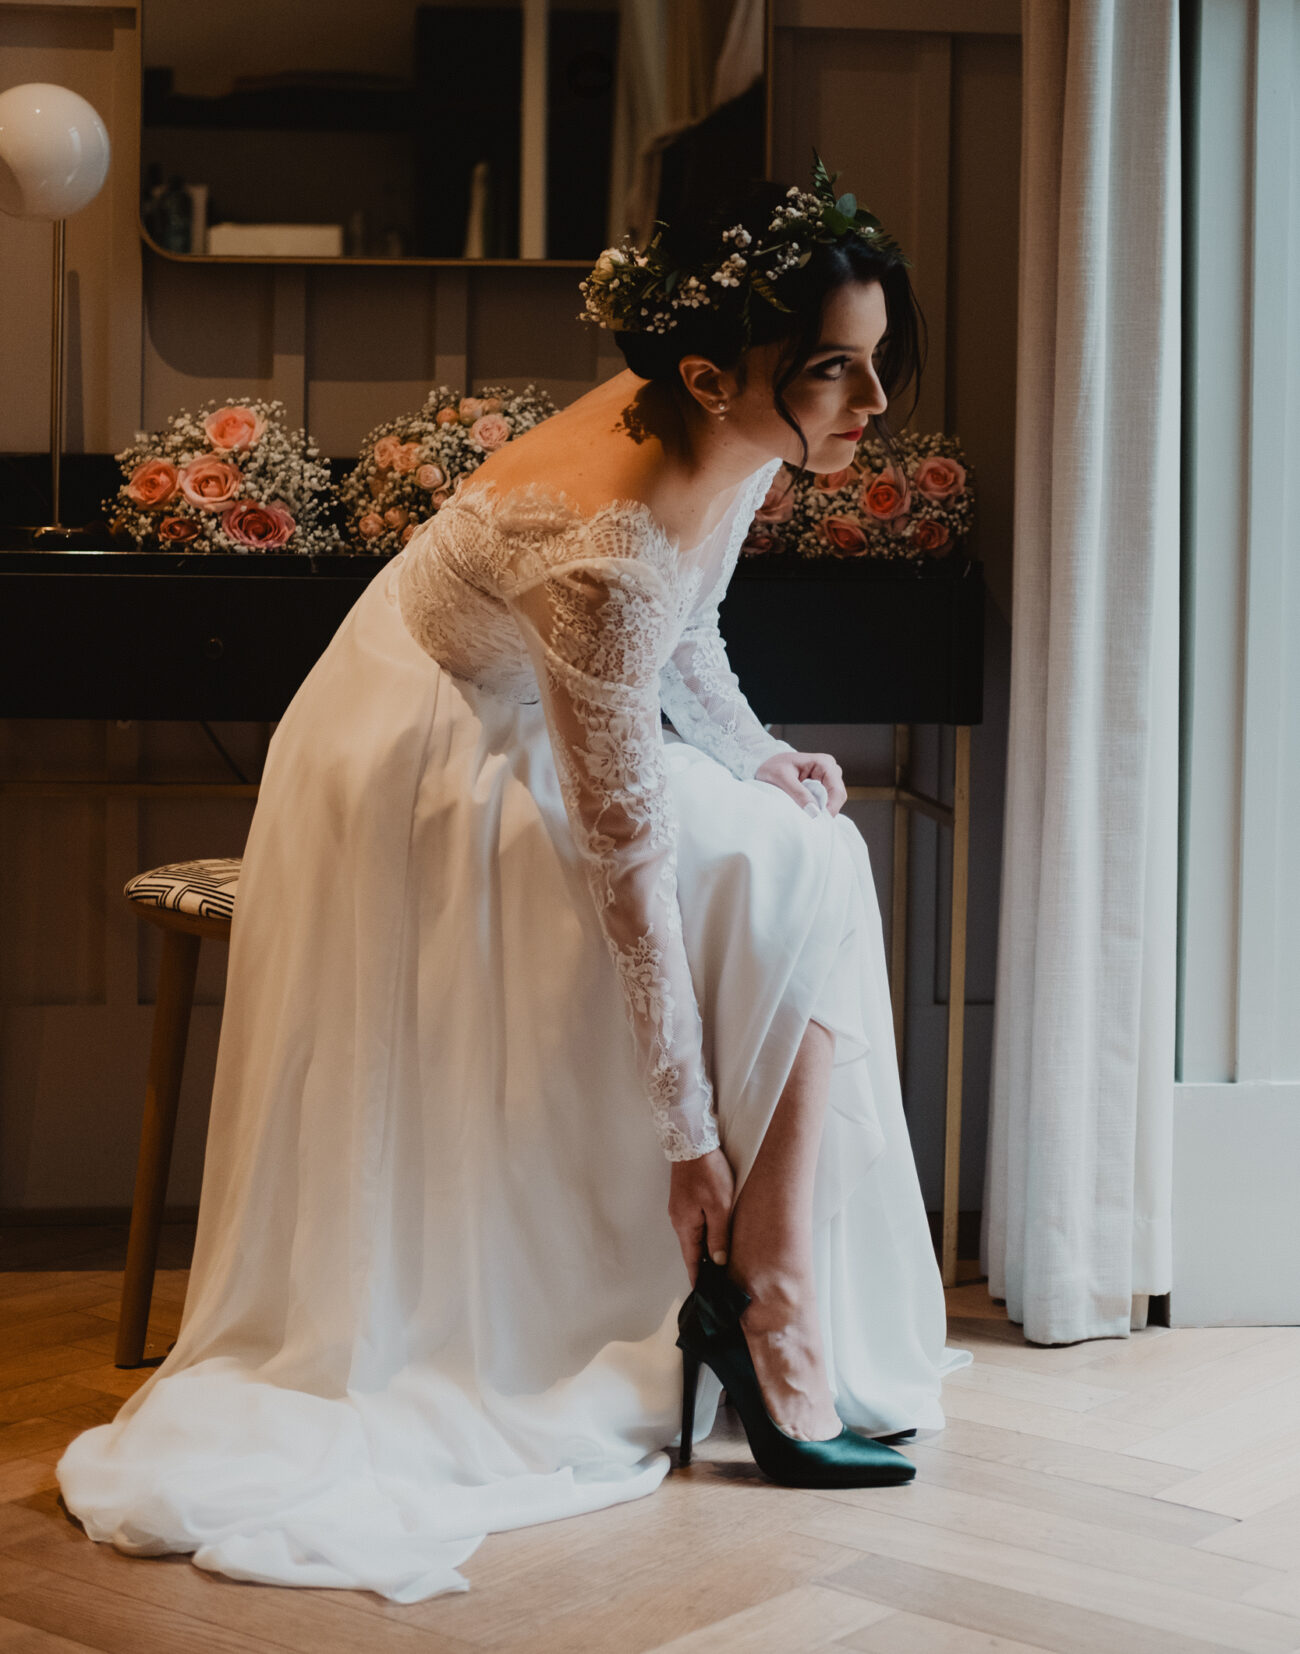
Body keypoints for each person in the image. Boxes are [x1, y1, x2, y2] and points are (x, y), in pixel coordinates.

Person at [57, 168, 970, 1604]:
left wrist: (758, 749)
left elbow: (696, 626)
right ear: (711, 370)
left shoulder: (730, 434)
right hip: (418, 757)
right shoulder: (596, 542)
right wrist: (688, 1141)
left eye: (876, 359)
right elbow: (627, 856)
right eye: (835, 370)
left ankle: (777, 1292)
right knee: (789, 869)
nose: (870, 402)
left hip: (546, 714)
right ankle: (766, 1297)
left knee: (817, 844)